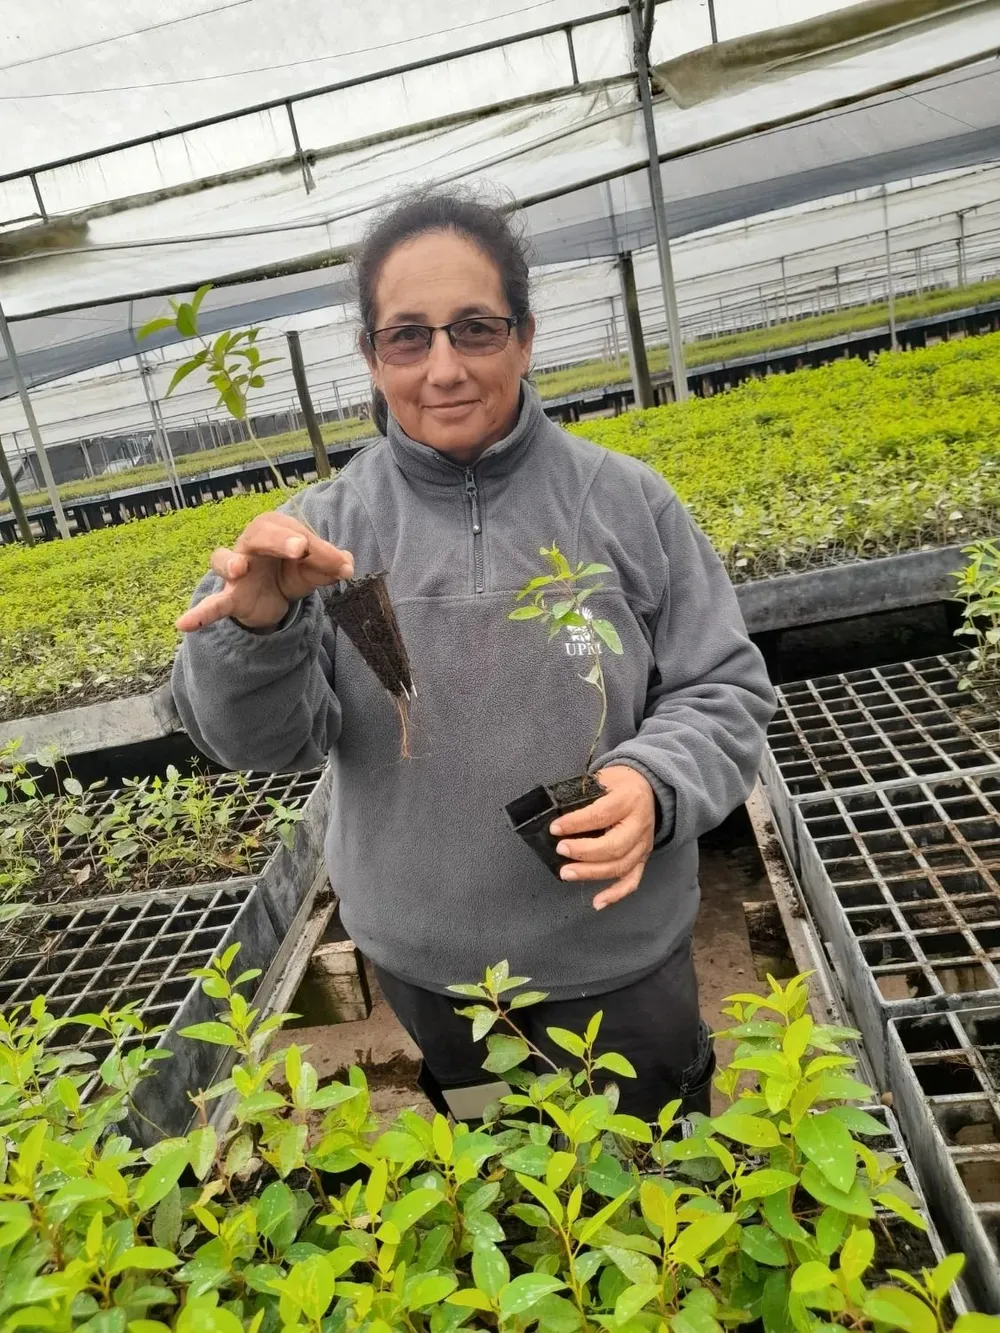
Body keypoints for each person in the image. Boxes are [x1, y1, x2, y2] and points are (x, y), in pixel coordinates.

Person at [171, 188, 776, 1122]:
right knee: (497, 1157)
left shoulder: (628, 504)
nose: (444, 367)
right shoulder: (317, 538)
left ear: (524, 338)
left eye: (476, 329)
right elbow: (259, 743)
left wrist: (655, 782)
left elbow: (723, 688)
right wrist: (256, 629)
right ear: (372, 357)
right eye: (408, 337)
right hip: (433, 978)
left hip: (616, 956)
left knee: (654, 1156)